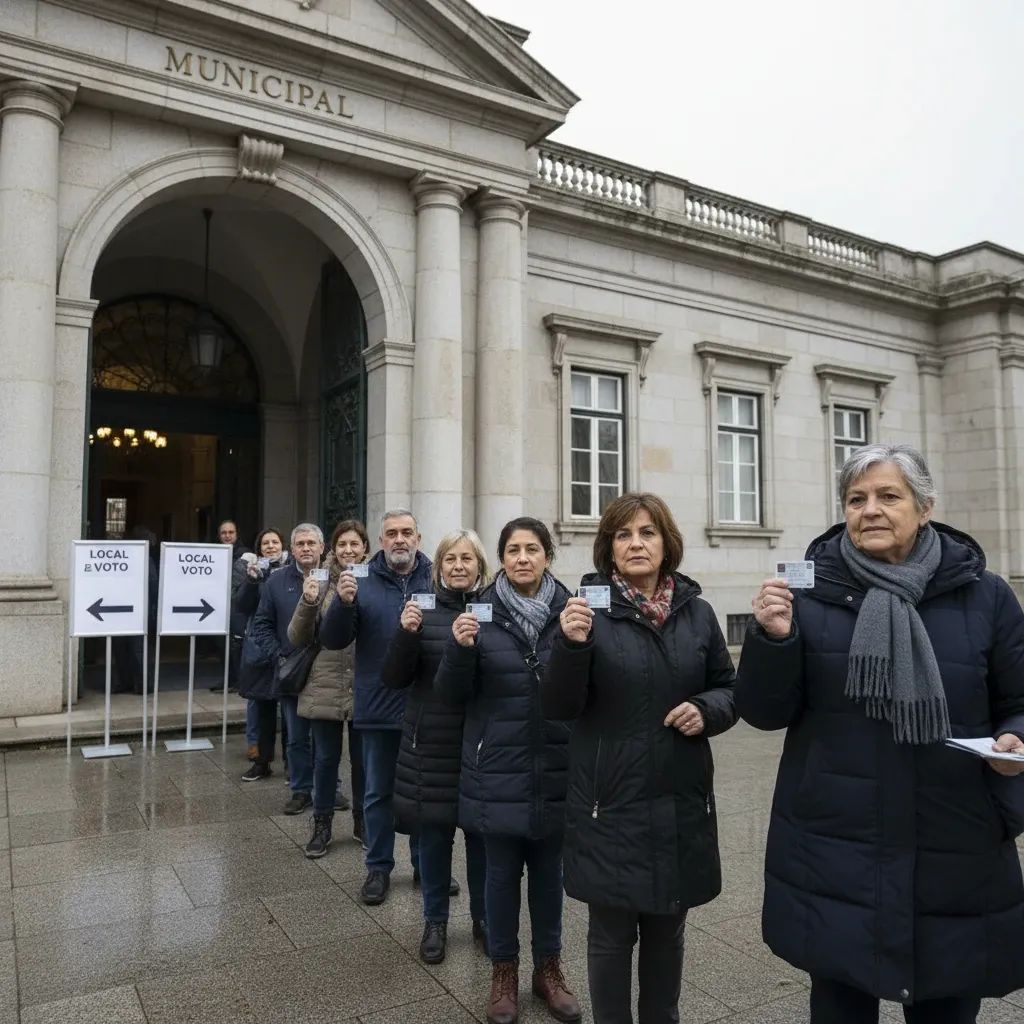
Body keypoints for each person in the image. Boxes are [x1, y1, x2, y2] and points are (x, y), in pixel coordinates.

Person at [736, 443, 1024, 1024]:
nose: (871, 509)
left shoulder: (985, 595)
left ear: (924, 508)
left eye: (889, 496)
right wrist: (772, 640)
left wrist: (1015, 738)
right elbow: (765, 713)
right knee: (840, 1005)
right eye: (856, 498)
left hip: (954, 842)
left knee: (947, 1005)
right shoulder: (808, 595)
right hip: (835, 843)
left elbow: (1017, 702)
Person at [542, 493, 737, 1024]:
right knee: (609, 936)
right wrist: (571, 645)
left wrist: (707, 708)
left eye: (647, 533)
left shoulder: (696, 613)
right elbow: (558, 705)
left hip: (680, 799)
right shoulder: (583, 611)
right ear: (608, 548)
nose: (636, 544)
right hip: (610, 804)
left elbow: (727, 686)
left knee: (667, 930)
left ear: (666, 542)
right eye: (623, 535)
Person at [435, 517, 580, 1024]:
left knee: (548, 875)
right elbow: (450, 696)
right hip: (496, 767)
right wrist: (457, 650)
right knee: (498, 878)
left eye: (533, 549)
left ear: (548, 556)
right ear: (501, 558)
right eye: (513, 549)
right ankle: (503, 973)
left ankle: (549, 969)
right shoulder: (481, 614)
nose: (523, 558)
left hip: (557, 764)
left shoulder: (571, 613)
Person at [380, 529, 491, 965]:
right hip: (431, 743)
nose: (459, 566)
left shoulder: (493, 611)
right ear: (438, 567)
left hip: (481, 743)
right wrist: (405, 635)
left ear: (479, 565)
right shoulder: (420, 612)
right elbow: (393, 677)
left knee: (482, 837)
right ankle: (436, 922)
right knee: (435, 837)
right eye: (450, 559)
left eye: (467, 558)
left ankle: (484, 918)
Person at [320, 509, 432, 906]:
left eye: (406, 532)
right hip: (378, 704)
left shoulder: (435, 576)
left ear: (418, 537)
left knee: (425, 793)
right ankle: (379, 867)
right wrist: (344, 604)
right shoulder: (361, 579)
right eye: (391, 534)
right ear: (380, 541)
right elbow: (332, 639)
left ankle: (426, 866)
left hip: (426, 709)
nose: (399, 540)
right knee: (377, 793)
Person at [289, 519, 370, 857]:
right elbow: (296, 636)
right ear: (333, 549)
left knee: (363, 761)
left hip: (365, 685)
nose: (349, 550)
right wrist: (308, 603)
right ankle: (321, 824)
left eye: (355, 544)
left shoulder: (376, 580)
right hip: (324, 683)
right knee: (325, 758)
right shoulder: (319, 579)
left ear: (366, 548)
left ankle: (363, 821)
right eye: (343, 545)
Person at [249, 523, 322, 814]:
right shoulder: (276, 582)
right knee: (296, 737)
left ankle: (331, 787)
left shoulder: (337, 579)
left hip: (327, 673)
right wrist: (278, 656)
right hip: (292, 673)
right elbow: (262, 625)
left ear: (322, 547)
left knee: (326, 739)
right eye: (300, 543)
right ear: (292, 550)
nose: (306, 548)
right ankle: (301, 789)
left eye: (311, 543)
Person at [236, 528, 288, 779]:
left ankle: (293, 766)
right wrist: (251, 580)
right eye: (265, 543)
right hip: (260, 649)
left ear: (282, 545)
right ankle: (262, 761)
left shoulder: (293, 568)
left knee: (291, 712)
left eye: (274, 542)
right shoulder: (251, 569)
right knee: (263, 708)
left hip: (288, 647)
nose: (270, 546)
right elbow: (241, 606)